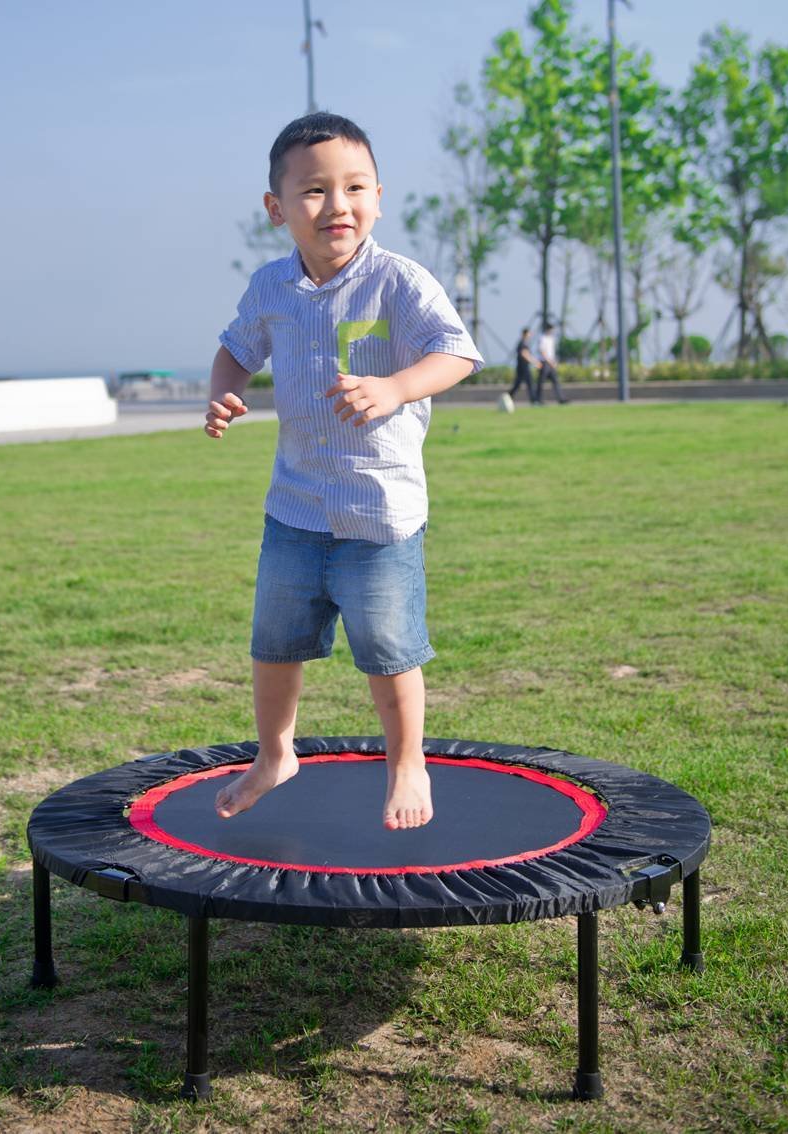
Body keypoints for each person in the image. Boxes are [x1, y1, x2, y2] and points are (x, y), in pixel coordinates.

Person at [203, 111, 482, 831]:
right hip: (295, 512)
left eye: (355, 187)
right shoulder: (271, 287)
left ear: (379, 199)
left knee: (389, 653)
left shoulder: (399, 281)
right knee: (274, 645)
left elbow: (456, 352)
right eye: (314, 190)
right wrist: (224, 392)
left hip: (379, 515)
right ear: (277, 208)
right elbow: (235, 350)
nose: (338, 205)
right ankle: (275, 755)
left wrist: (396, 387)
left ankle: (407, 763)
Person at [536, 322, 569, 405]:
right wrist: (550, 362)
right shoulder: (542, 338)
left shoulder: (551, 339)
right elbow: (542, 351)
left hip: (551, 363)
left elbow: (552, 352)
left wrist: (554, 362)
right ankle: (538, 400)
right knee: (541, 382)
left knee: (556, 381)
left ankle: (561, 399)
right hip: (544, 363)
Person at [509, 327, 539, 403]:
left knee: (518, 384)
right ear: (525, 334)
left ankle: (508, 396)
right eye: (529, 333)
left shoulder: (524, 343)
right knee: (529, 383)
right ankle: (534, 400)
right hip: (523, 367)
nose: (530, 335)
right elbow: (524, 354)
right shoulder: (522, 343)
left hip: (522, 366)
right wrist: (535, 362)